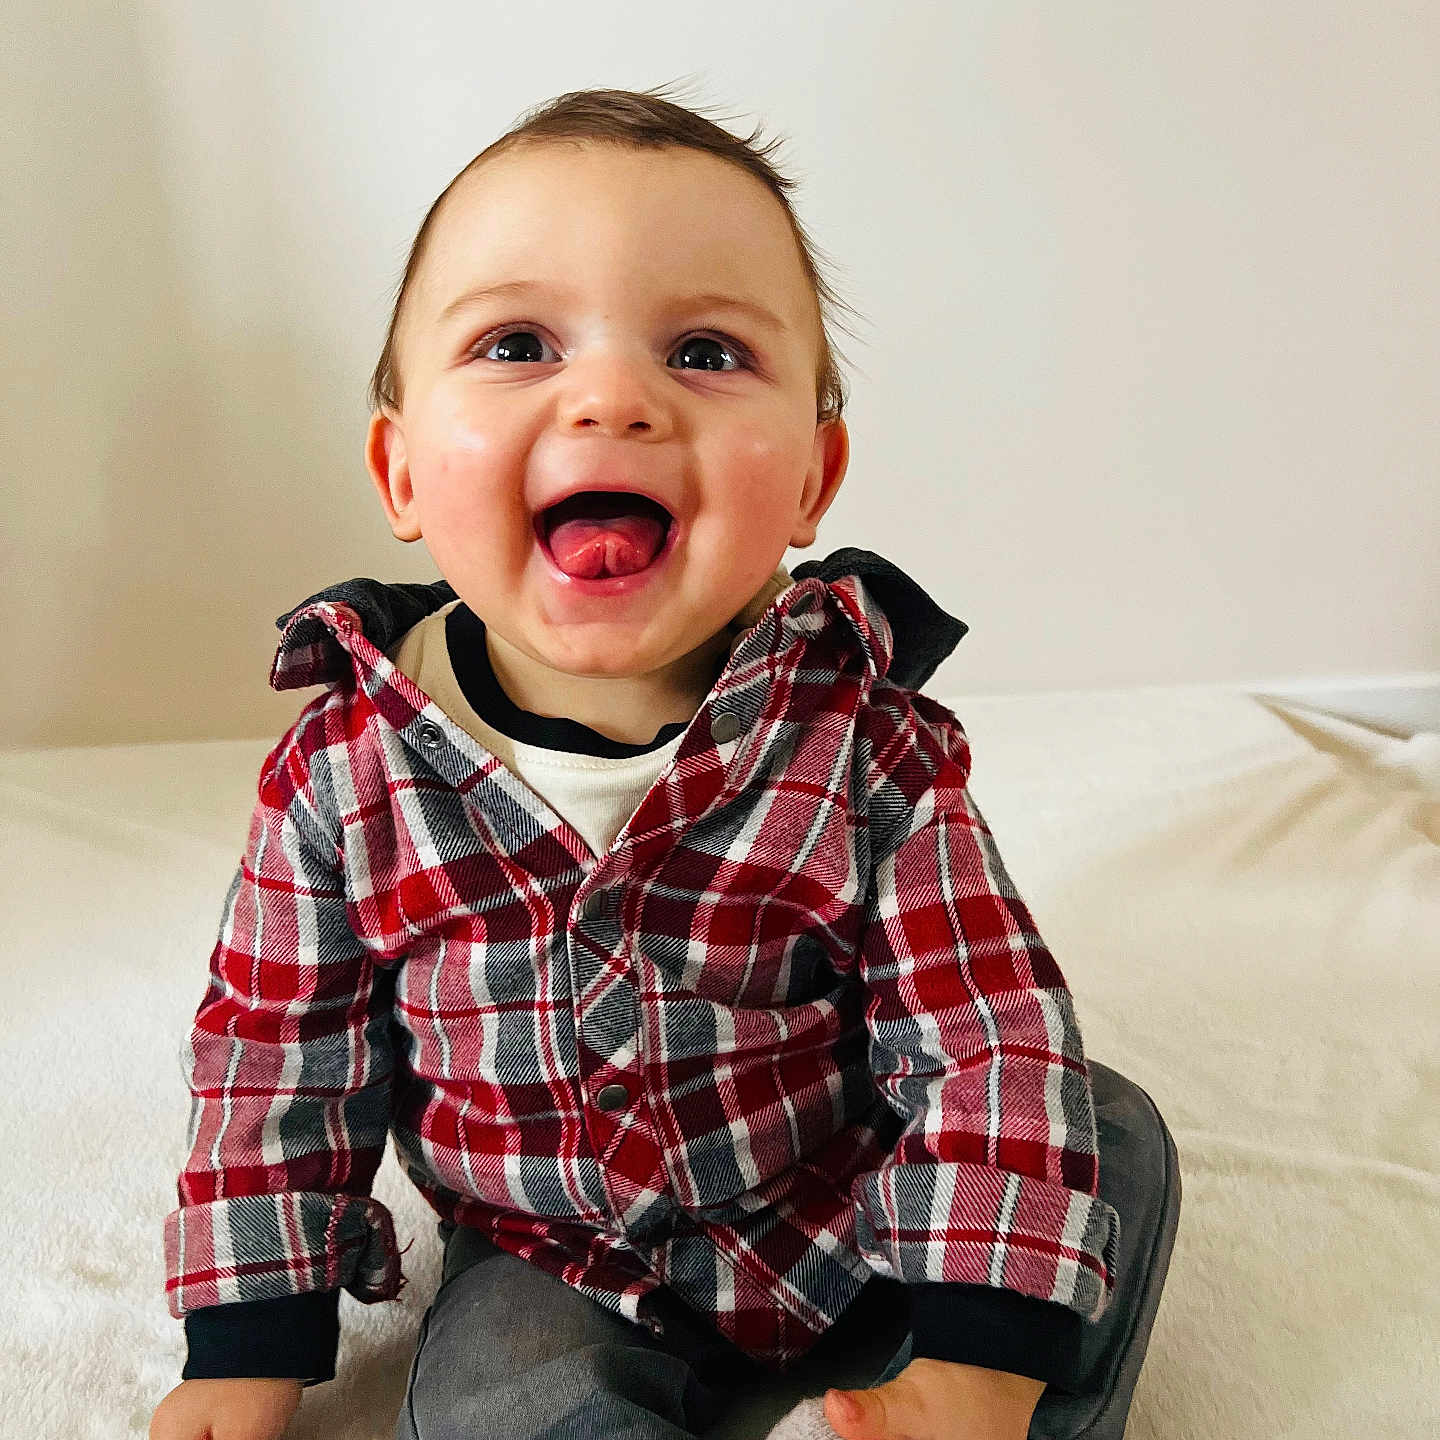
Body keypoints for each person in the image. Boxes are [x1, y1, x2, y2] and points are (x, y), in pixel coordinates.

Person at [149, 85, 1135, 1440]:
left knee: (1100, 1142)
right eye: (515, 343)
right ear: (401, 473)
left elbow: (979, 1030)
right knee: (509, 1399)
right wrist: (243, 1341)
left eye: (707, 353)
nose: (613, 398)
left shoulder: (860, 742)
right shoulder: (342, 774)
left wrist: (986, 1327)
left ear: (811, 478)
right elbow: (278, 1058)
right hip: (551, 1260)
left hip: (837, 1209)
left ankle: (963, 1404)